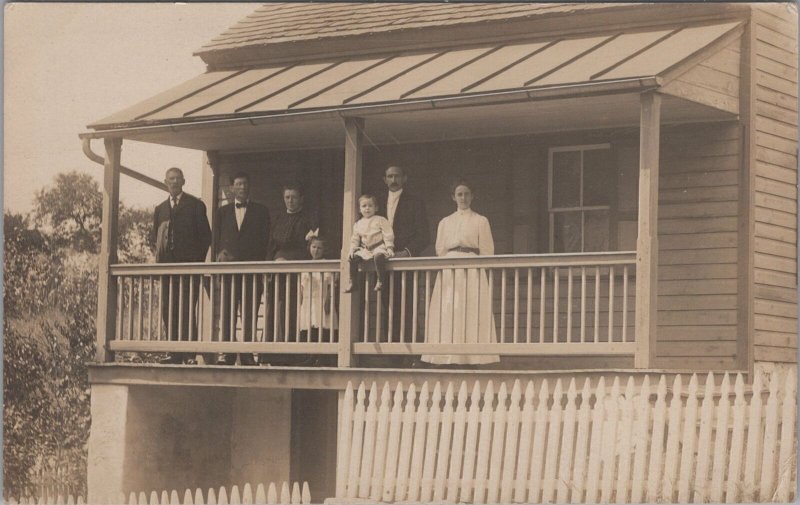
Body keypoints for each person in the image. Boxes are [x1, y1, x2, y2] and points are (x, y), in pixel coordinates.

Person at [423, 179, 499, 365]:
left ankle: (473, 357)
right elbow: (440, 249)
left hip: (472, 269)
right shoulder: (445, 222)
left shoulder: (481, 220)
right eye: (459, 194)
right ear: (453, 197)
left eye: (466, 194)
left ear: (472, 196)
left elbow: (487, 251)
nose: (463, 197)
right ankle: (446, 355)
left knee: (471, 309)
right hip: (450, 269)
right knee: (450, 308)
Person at [151, 167, 212, 364]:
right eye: (171, 179)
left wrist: (195, 263)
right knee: (169, 310)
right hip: (168, 270)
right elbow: (155, 238)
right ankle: (174, 353)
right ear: (165, 182)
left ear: (184, 181)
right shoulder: (160, 209)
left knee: (186, 310)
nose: (174, 182)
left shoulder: (195, 205)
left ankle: (189, 354)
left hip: (189, 270)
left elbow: (206, 238)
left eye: (178, 179)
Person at [214, 172, 270, 366]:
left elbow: (266, 242)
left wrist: (262, 268)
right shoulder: (222, 212)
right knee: (228, 311)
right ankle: (228, 353)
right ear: (232, 188)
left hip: (252, 272)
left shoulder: (261, 211)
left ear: (249, 186)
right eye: (238, 184)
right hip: (229, 272)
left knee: (249, 312)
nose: (242, 188)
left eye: (245, 184)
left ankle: (246, 353)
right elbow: (217, 241)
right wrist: (219, 257)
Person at [379, 165, 430, 343]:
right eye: (390, 176)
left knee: (406, 307)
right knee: (386, 307)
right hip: (382, 263)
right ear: (385, 179)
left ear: (404, 178)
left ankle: (410, 354)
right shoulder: (376, 203)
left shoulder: (415, 202)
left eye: (397, 176)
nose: (393, 180)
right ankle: (390, 353)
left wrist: (406, 252)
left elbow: (424, 236)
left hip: (405, 263)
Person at [269, 183, 317, 341]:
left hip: (299, 272)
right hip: (278, 273)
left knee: (295, 309)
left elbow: (312, 248)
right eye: (287, 197)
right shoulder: (278, 219)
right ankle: (275, 352)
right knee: (277, 309)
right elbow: (270, 245)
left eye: (294, 197)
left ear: (301, 199)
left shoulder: (308, 219)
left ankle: (295, 352)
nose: (290, 201)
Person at [346, 194, 394, 292]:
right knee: (353, 258)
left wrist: (389, 247)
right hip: (365, 249)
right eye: (364, 206)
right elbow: (355, 239)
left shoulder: (380, 220)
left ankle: (381, 280)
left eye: (370, 206)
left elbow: (388, 234)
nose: (367, 208)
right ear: (359, 209)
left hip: (378, 246)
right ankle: (353, 282)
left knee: (379, 257)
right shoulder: (358, 224)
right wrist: (352, 249)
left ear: (376, 208)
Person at [298, 234, 338, 342]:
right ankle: (310, 356)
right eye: (314, 247)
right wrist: (300, 300)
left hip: (322, 299)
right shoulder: (305, 265)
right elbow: (302, 285)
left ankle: (322, 357)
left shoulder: (327, 264)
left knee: (321, 325)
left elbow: (331, 285)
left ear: (324, 250)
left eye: (319, 248)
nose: (316, 250)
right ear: (309, 248)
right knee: (309, 325)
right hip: (308, 301)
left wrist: (328, 300)